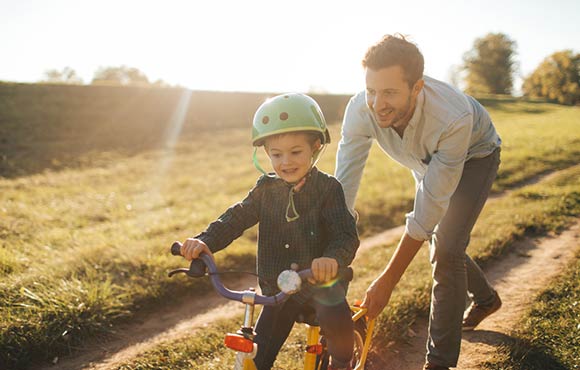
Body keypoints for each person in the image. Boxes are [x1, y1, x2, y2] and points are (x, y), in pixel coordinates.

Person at [335, 34, 502, 370]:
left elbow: (426, 213)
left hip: (474, 155)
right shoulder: (360, 108)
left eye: (390, 92)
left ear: (417, 87)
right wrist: (333, 242)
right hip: (427, 161)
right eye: (372, 90)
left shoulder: (452, 117)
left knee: (446, 247)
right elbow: (343, 187)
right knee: (441, 240)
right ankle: (486, 299)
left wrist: (387, 281)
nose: (377, 103)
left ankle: (439, 363)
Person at [180, 93, 359, 370]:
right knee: (258, 353)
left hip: (319, 283)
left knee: (337, 319)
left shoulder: (328, 189)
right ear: (266, 153)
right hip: (279, 289)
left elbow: (345, 234)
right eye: (276, 154)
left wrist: (332, 258)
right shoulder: (266, 189)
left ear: (315, 146)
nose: (286, 162)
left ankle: (342, 362)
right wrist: (205, 241)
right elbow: (236, 217)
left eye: (295, 152)